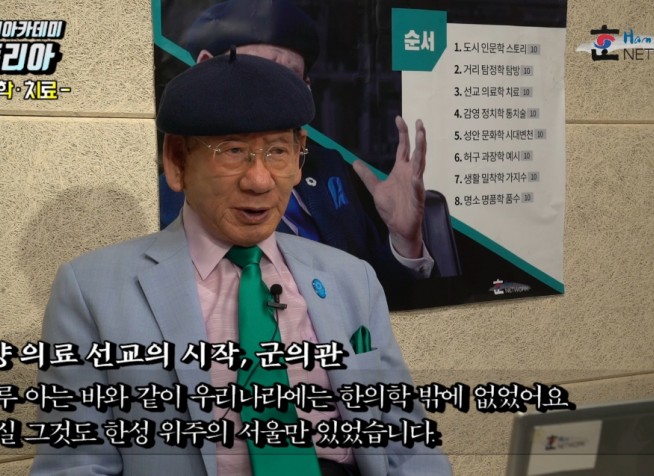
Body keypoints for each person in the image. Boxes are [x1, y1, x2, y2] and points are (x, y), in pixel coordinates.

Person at [31, 51, 452, 475]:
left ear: (299, 156)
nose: (259, 181)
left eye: (278, 151)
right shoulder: (92, 292)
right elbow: (76, 465)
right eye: (232, 151)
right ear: (176, 161)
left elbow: (408, 444)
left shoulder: (350, 277)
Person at [158, 0, 437, 291]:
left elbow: (371, 289)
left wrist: (405, 241)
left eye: (291, 79)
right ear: (205, 67)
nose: (275, 96)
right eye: (259, 71)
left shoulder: (327, 165)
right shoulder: (171, 204)